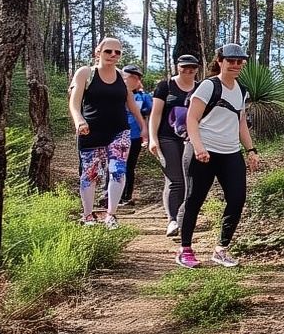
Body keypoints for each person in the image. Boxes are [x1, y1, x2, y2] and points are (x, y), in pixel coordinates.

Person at [177, 43, 262, 268]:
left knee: (237, 199)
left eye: (239, 61)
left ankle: (221, 249)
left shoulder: (241, 90)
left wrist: (251, 150)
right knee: (194, 199)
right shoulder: (208, 86)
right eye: (231, 61)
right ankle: (185, 249)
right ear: (220, 61)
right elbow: (192, 119)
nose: (235, 65)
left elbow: (241, 122)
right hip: (202, 151)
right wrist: (198, 147)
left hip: (230, 152)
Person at [67, 37, 147, 229]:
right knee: (90, 174)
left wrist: (143, 126)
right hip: (91, 131)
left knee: (118, 171)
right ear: (98, 52)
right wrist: (79, 120)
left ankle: (111, 214)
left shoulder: (121, 76)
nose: (113, 55)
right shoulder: (86, 73)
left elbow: (131, 104)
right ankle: (87, 215)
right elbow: (74, 102)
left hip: (119, 131)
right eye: (108, 51)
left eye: (117, 52)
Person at [148, 55, 201, 237]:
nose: (188, 71)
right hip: (166, 138)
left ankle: (183, 217)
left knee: (189, 180)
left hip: (191, 139)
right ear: (177, 67)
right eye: (184, 67)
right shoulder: (165, 86)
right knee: (175, 180)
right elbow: (155, 114)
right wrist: (153, 139)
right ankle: (171, 220)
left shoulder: (200, 87)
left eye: (192, 67)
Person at [120, 65, 153, 206]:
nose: (132, 80)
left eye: (136, 77)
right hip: (116, 135)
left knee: (129, 166)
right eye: (129, 77)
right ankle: (110, 195)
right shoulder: (116, 93)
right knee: (114, 166)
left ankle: (126, 196)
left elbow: (151, 110)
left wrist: (146, 132)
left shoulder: (143, 96)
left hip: (134, 136)